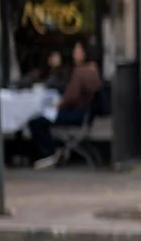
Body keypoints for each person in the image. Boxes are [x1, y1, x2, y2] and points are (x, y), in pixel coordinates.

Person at [28, 39, 102, 167]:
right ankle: (56, 151)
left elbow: (71, 96)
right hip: (85, 114)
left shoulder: (80, 71)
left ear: (85, 53)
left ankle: (49, 153)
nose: (74, 54)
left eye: (77, 51)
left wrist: (58, 105)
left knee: (37, 121)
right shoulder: (93, 69)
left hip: (76, 113)